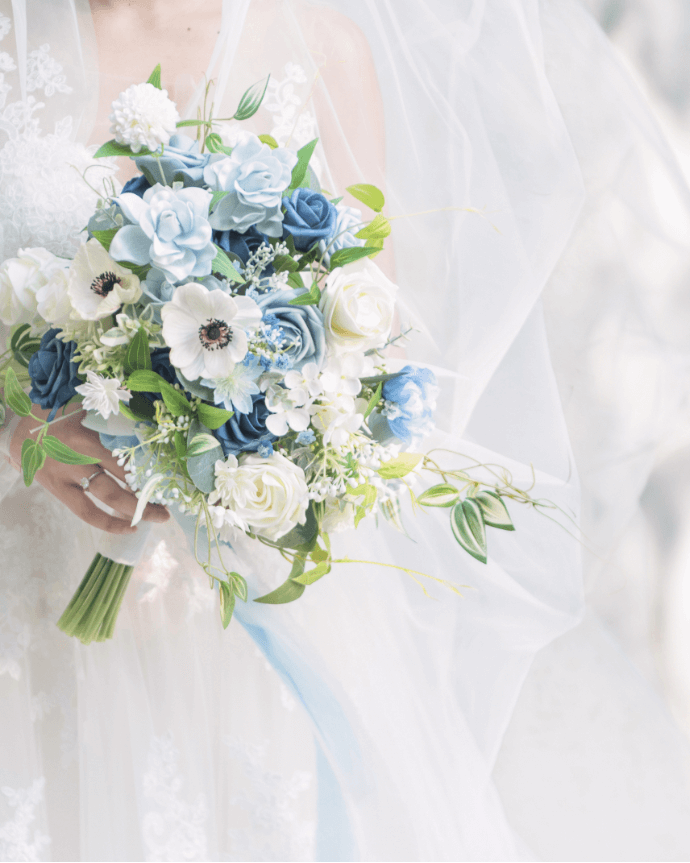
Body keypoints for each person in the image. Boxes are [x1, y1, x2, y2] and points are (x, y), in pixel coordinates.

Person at [1, 1, 690, 860]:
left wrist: (251, 455)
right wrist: (19, 433)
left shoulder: (314, 49)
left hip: (236, 627)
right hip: (27, 622)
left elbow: (365, 360)